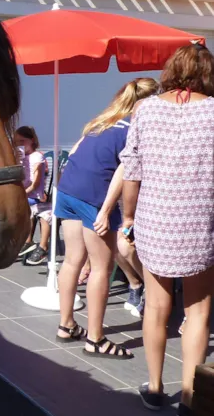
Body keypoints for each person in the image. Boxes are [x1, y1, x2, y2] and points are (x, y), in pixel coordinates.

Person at [121, 44, 214, 416]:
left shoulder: (147, 109)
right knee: (197, 314)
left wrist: (128, 217)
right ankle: (191, 400)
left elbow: (132, 170)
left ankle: (156, 387)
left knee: (156, 309)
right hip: (201, 224)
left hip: (155, 221)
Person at [54, 77, 158, 359]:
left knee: (73, 259)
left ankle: (66, 325)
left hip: (68, 190)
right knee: (102, 268)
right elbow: (123, 171)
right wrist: (105, 210)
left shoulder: (103, 121)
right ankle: (96, 340)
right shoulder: (135, 128)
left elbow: (74, 152)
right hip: (94, 196)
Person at [14, 126, 52, 266]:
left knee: (30, 208)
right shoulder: (21, 158)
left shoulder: (37, 157)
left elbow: (35, 183)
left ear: (32, 140)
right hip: (25, 194)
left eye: (22, 141)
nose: (19, 145)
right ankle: (26, 240)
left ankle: (37, 244)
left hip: (35, 195)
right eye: (16, 142)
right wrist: (17, 162)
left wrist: (22, 194)